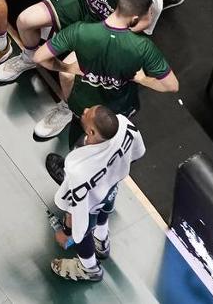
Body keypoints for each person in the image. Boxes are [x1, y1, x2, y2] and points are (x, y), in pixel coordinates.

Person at [0, 0, 155, 140]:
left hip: (104, 29)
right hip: (83, 3)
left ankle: (67, 107)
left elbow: (144, 22)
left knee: (67, 73)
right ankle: (28, 58)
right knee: (25, 20)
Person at [32, 0, 178, 143]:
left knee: (75, 142)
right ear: (135, 19)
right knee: (102, 145)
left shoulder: (80, 30)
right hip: (117, 109)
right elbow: (171, 86)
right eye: (149, 14)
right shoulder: (143, 47)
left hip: (81, 101)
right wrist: (143, 80)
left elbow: (39, 57)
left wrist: (67, 68)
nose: (150, 17)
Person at [46, 105, 146, 282]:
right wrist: (113, 173)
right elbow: (137, 153)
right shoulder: (124, 125)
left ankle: (88, 268)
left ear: (91, 132)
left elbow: (74, 209)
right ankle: (101, 240)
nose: (84, 110)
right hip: (111, 187)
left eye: (87, 113)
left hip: (91, 203)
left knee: (83, 234)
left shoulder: (79, 167)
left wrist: (67, 232)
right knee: (104, 212)